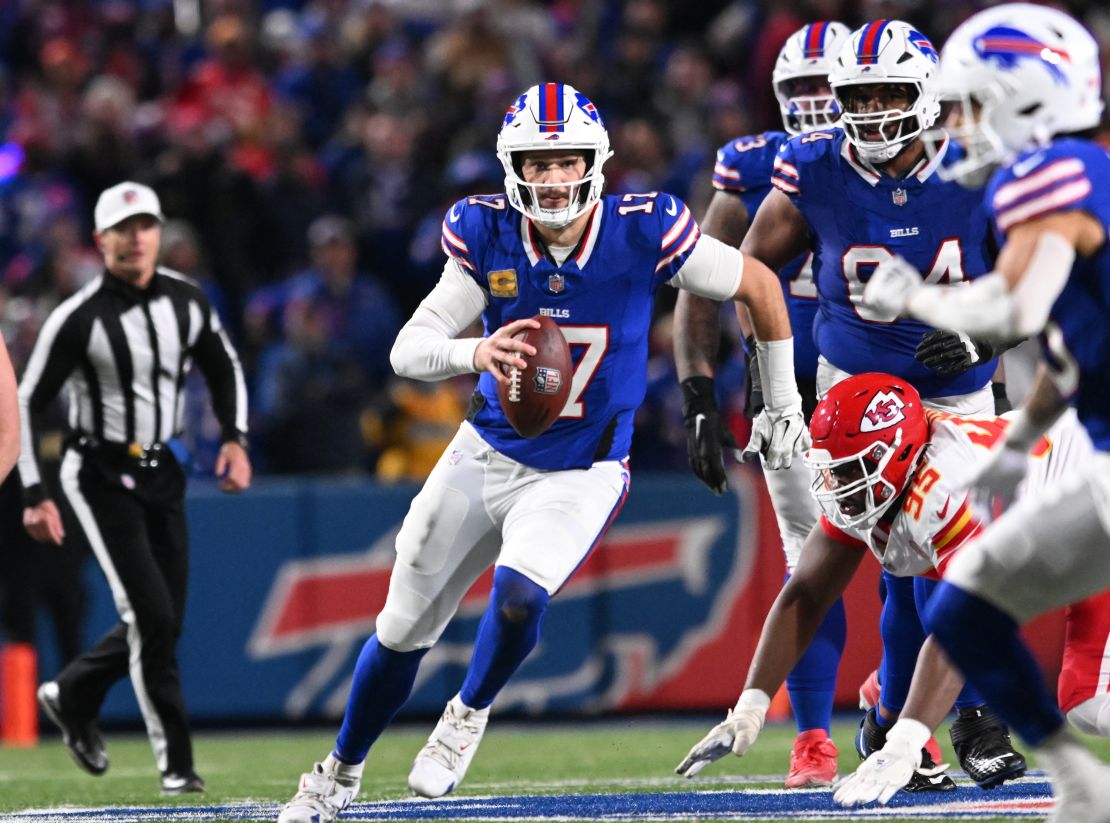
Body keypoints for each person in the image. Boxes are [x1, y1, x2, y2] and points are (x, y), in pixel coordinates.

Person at [277, 82, 808, 823]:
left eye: (567, 162)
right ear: (513, 167)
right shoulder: (484, 232)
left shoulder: (643, 226)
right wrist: (475, 347)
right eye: (538, 161)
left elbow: (756, 282)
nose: (553, 177)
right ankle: (336, 773)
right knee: (401, 628)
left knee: (522, 595)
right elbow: (408, 348)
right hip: (484, 450)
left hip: (583, 467)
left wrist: (779, 400)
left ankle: (467, 712)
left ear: (595, 163)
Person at [674, 18, 1021, 793]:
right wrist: (764, 377)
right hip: (856, 396)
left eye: (891, 92)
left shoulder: (982, 164)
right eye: (859, 95)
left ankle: (919, 724)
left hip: (959, 389)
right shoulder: (814, 167)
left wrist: (983, 335)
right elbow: (750, 271)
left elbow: (1044, 275)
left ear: (928, 94)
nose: (872, 110)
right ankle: (903, 726)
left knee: (954, 558)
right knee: (890, 566)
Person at [853, 5, 1110, 818]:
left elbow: (1016, 309)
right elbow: (1072, 353)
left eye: (966, 105)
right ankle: (1077, 780)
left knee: (1078, 682)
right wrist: (1021, 441)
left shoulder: (1055, 172)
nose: (952, 125)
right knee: (965, 606)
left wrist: (916, 296)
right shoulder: (1042, 181)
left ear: (1026, 99)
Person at [674, 372, 1102, 782]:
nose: (836, 483)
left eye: (847, 469)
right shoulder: (885, 480)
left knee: (1087, 700)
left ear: (894, 453)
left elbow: (962, 633)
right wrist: (751, 705)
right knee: (1081, 696)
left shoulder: (948, 488)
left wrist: (903, 744)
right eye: (832, 468)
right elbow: (806, 594)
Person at [18, 181, 252, 793]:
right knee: (150, 613)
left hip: (160, 468)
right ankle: (176, 764)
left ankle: (72, 694)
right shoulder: (78, 317)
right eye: (121, 229)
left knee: (164, 621)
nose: (134, 238)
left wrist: (235, 438)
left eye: (143, 225)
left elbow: (222, 362)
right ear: (100, 241)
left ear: (157, 233)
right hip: (97, 471)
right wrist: (34, 492)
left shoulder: (185, 300)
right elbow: (24, 401)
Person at [675, 20, 852, 788]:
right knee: (808, 556)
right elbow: (700, 283)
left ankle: (904, 708)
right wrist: (698, 394)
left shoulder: (898, 165)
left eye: (826, 85)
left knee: (918, 559)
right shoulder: (751, 166)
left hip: (885, 378)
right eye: (799, 90)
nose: (814, 103)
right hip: (786, 392)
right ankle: (812, 735)